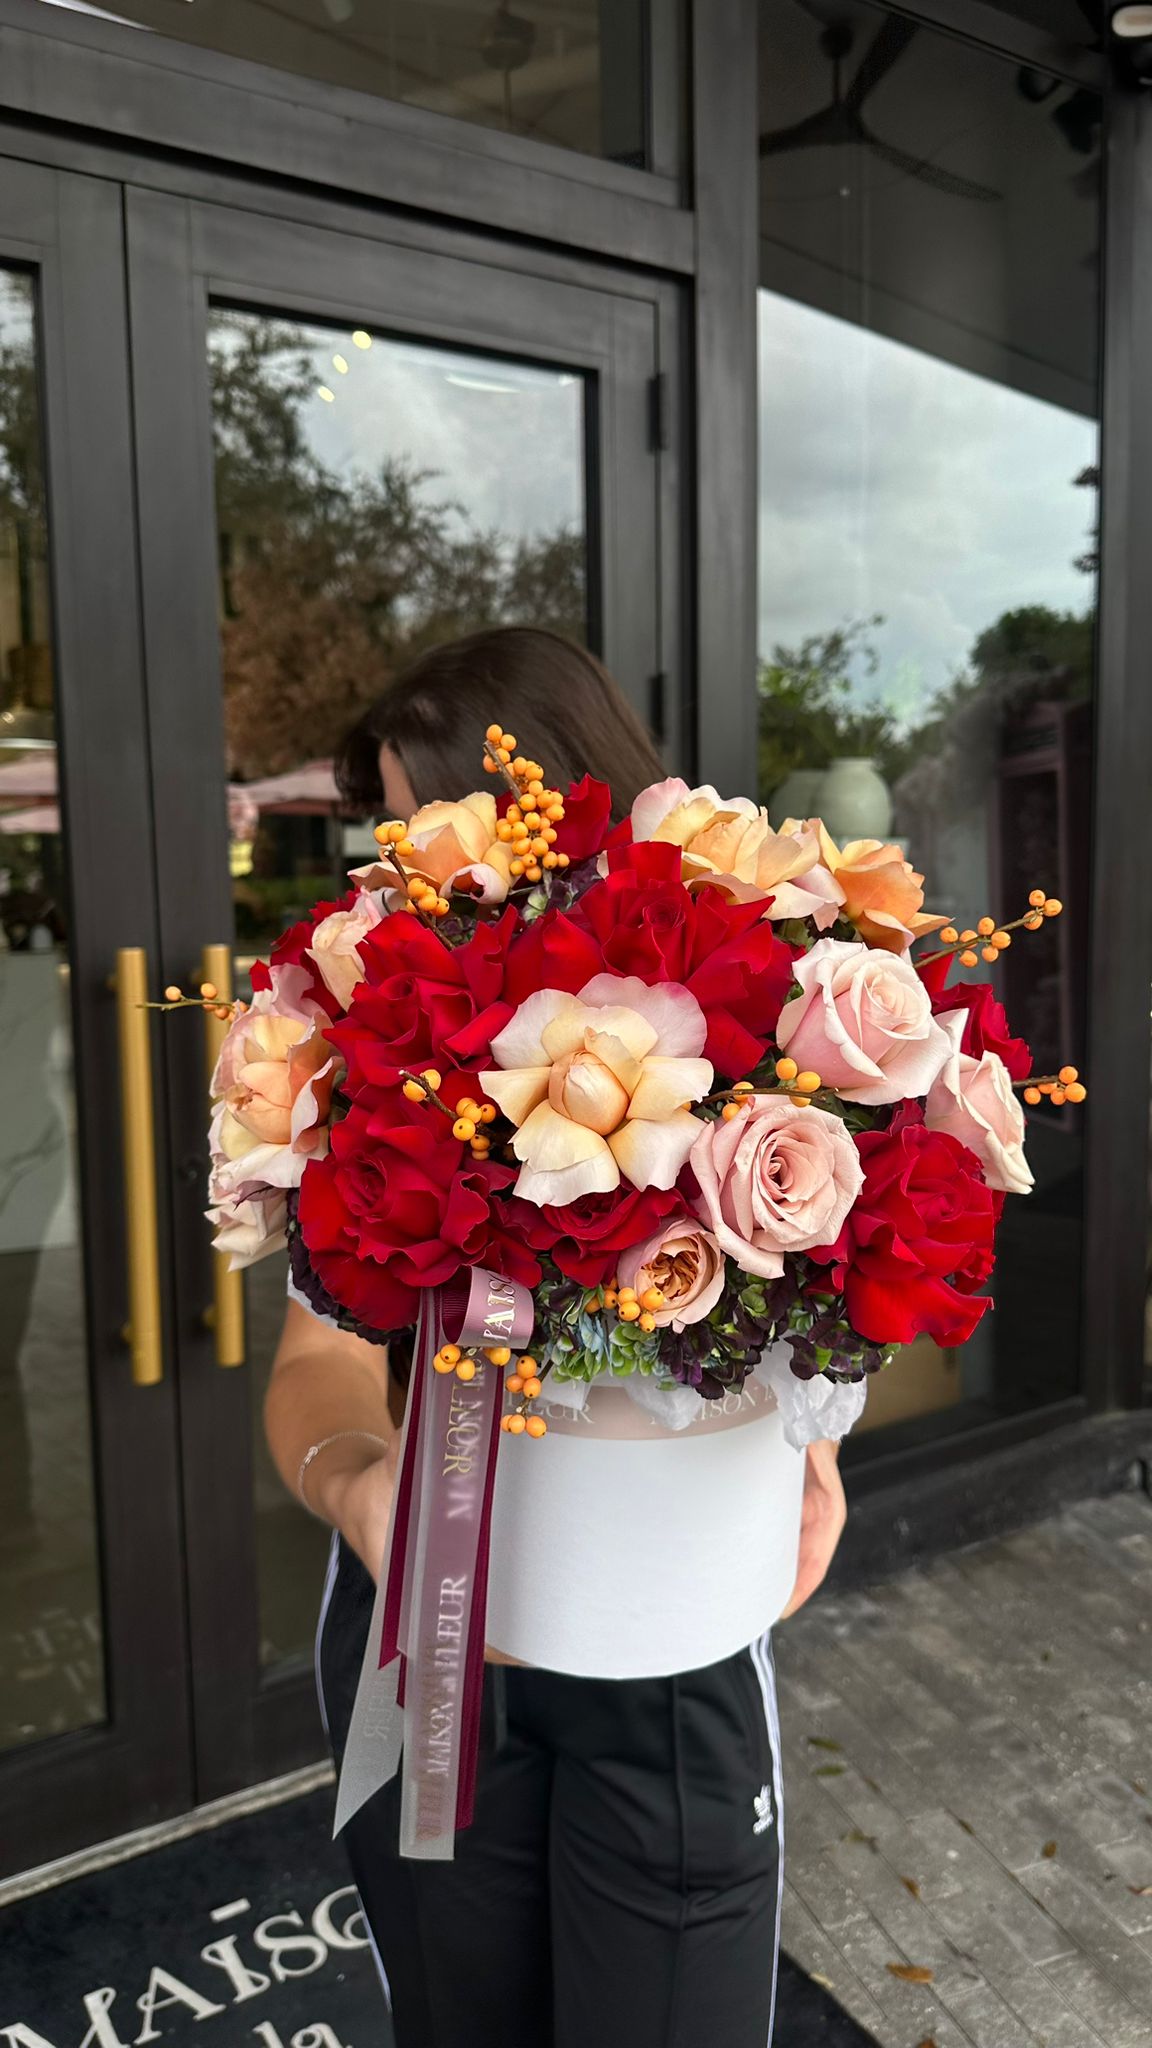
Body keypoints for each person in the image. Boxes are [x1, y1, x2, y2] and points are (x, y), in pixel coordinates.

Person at [264, 627, 848, 2048]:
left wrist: (819, 1449)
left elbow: (819, 1308)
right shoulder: (376, 1063)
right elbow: (319, 1365)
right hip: (441, 1638)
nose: (400, 867)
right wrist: (356, 1485)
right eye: (389, 835)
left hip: (673, 1654)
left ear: (557, 805)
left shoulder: (747, 1026)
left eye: (425, 824)